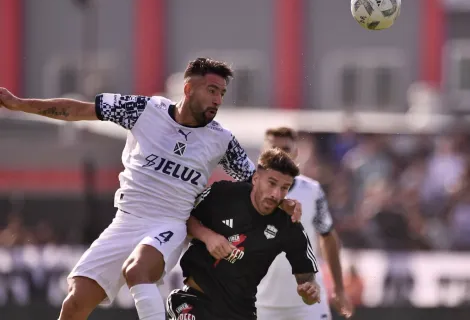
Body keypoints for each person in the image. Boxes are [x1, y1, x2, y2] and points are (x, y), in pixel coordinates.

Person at [0, 57, 300, 320]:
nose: (218, 100)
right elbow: (78, 110)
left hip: (170, 223)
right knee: (75, 301)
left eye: (221, 93)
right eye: (211, 90)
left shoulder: (221, 139)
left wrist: (283, 200)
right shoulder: (145, 110)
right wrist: (19, 104)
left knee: (137, 270)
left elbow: (256, 180)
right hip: (126, 219)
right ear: (188, 89)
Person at [166, 148, 321, 320]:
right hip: (196, 301)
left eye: (284, 188)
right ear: (255, 179)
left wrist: (309, 291)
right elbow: (183, 218)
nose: (276, 194)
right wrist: (207, 236)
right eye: (271, 183)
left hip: (241, 311)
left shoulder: (289, 225)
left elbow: (306, 279)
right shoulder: (224, 193)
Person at [256, 127, 354, 319]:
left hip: (308, 303)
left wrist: (339, 288)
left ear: (296, 152)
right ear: (263, 152)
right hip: (259, 303)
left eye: (285, 148)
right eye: (273, 147)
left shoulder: (312, 191)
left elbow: (327, 236)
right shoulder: (246, 191)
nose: (279, 153)